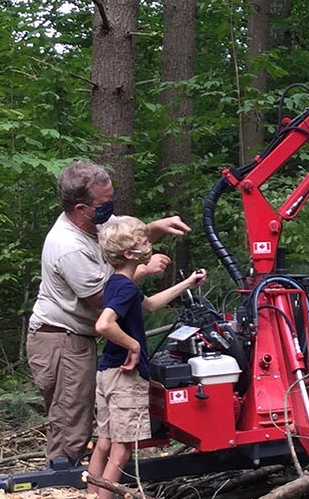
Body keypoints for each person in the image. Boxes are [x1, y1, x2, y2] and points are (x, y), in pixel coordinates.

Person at [27, 160, 191, 466]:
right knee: (70, 423)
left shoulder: (96, 222)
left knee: (81, 420)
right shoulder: (68, 246)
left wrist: (153, 229)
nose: (109, 208)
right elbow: (104, 299)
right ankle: (65, 492)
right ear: (81, 208)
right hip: (60, 340)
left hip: (78, 337)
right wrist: (143, 270)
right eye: (104, 203)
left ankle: (88, 490)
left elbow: (124, 240)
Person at [87, 216, 206, 499]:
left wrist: (188, 283)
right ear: (130, 254)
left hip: (106, 372)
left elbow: (150, 305)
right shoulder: (125, 288)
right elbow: (104, 325)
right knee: (122, 447)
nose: (148, 243)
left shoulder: (119, 283)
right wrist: (134, 345)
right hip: (124, 376)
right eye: (143, 241)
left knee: (104, 442)